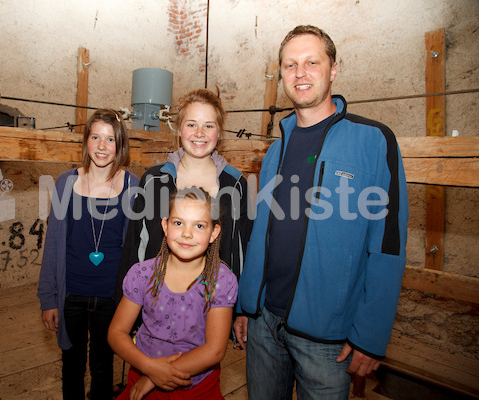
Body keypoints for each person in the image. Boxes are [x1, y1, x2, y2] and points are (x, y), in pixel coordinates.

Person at [234, 25, 409, 399]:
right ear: (281, 74)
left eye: (312, 62)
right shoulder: (275, 150)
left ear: (333, 69)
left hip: (328, 339)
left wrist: (371, 336)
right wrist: (245, 306)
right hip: (264, 325)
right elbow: (260, 233)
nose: (300, 73)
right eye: (290, 65)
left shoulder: (374, 141)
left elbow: (388, 245)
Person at [115, 88, 252, 305]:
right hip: (155, 301)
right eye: (191, 124)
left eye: (209, 125)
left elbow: (242, 250)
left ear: (219, 131)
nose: (200, 133)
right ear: (179, 129)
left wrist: (243, 309)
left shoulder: (236, 185)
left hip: (215, 303)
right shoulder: (153, 180)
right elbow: (135, 246)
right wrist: (126, 302)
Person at [37, 109, 139, 400]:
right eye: (96, 137)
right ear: (86, 141)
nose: (102, 146)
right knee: (71, 367)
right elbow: (53, 243)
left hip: (111, 296)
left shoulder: (132, 186)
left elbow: (135, 249)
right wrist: (48, 298)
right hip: (71, 296)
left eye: (110, 139)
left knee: (103, 367)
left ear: (120, 145)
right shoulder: (65, 183)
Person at [109, 187, 238, 400]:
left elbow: (214, 350)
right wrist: (149, 368)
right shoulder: (142, 274)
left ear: (214, 233)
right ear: (165, 226)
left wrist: (154, 377)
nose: (187, 233)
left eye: (199, 225)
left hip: (197, 387)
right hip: (140, 378)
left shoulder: (221, 281)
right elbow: (116, 333)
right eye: (179, 223)